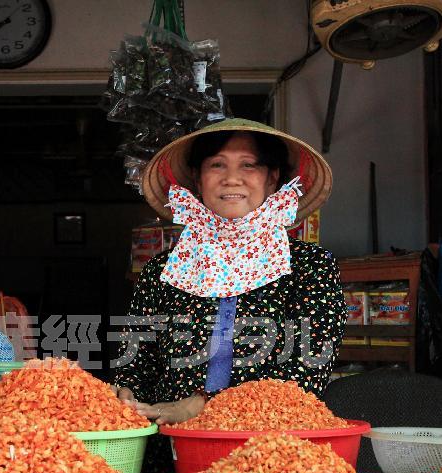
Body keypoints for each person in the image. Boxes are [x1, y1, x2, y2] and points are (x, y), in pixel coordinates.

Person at [113, 118, 343, 430]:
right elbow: (137, 360)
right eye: (217, 165)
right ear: (197, 178)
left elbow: (306, 373)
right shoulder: (163, 271)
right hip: (169, 443)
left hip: (272, 448)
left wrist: (204, 405)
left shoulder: (310, 267)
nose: (232, 178)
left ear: (272, 178)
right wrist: (127, 393)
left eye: (249, 165)